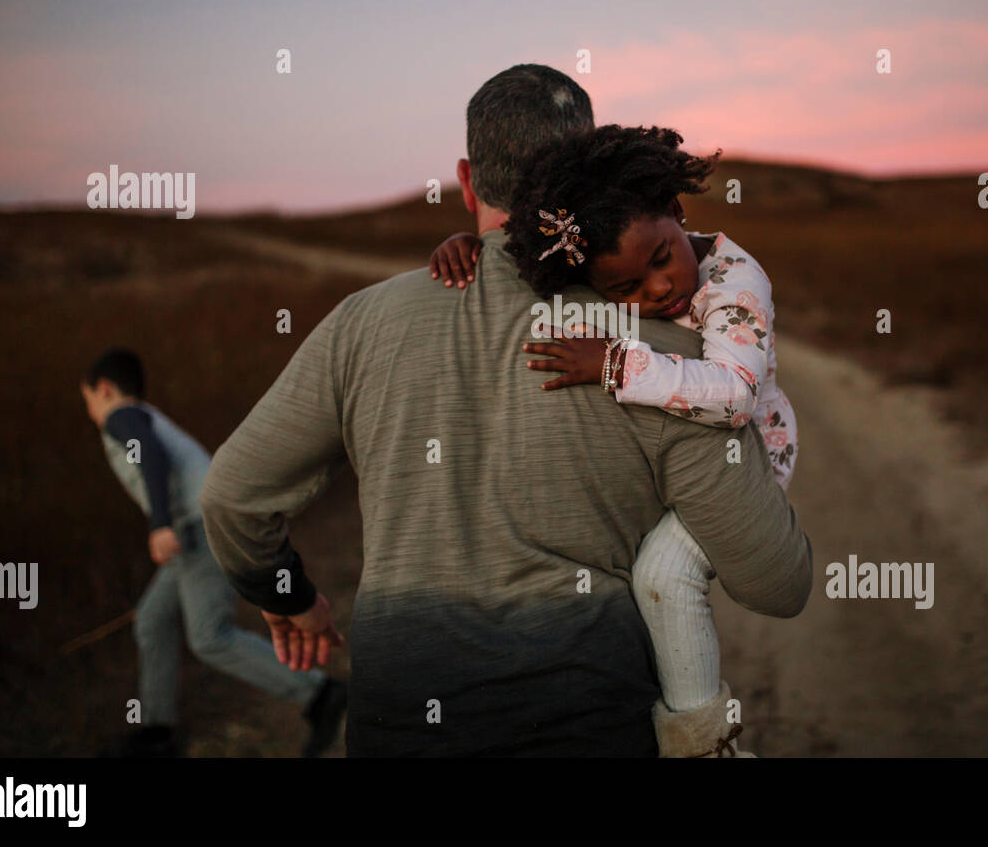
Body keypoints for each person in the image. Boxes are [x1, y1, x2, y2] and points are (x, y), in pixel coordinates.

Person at [199, 63, 813, 756]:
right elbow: (776, 582)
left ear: (467, 180)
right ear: (588, 177)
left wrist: (290, 598)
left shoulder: (360, 325)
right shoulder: (667, 353)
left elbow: (230, 497)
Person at [429, 123, 796, 755]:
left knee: (664, 572)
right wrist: (471, 248)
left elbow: (734, 395)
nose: (657, 289)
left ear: (677, 212)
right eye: (624, 289)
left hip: (750, 449)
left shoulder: (734, 285)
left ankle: (706, 744)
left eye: (661, 259)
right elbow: (539, 268)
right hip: (675, 447)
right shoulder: (605, 256)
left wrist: (614, 366)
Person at [81, 347, 346, 757]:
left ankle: (321, 693)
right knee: (152, 621)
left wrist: (160, 525)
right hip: (197, 530)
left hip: (199, 531)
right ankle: (158, 731)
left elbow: (148, 453)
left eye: (88, 402)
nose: (91, 413)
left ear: (105, 389)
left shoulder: (122, 416)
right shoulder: (144, 416)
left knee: (209, 637)